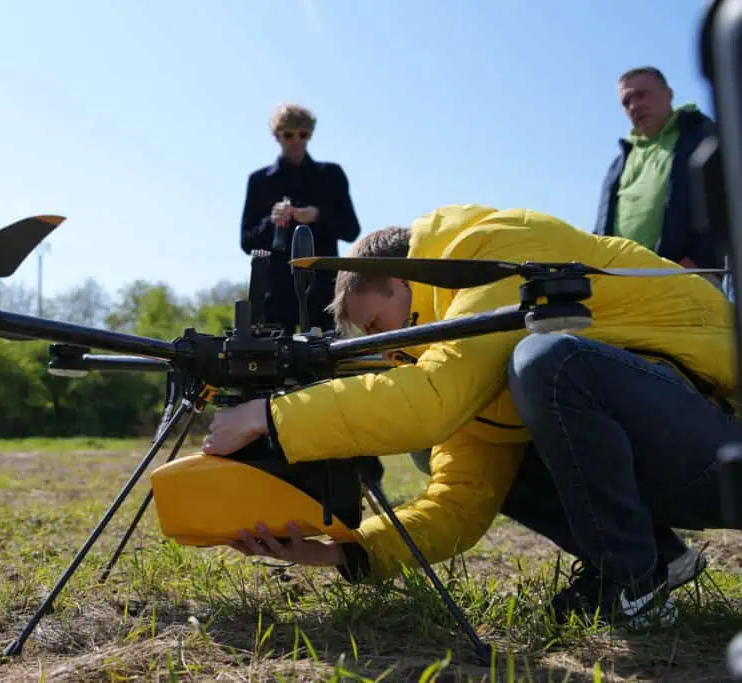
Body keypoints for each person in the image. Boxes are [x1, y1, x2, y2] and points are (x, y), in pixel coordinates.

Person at [202, 205, 739, 628]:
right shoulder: (470, 364)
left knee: (549, 361)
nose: (386, 351)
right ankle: (651, 560)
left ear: (400, 280)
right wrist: (339, 552)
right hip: (686, 460)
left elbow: (432, 400)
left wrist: (270, 416)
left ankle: (631, 583)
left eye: (378, 326)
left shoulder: (489, 247)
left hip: (723, 434)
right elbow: (459, 504)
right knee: (507, 405)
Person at [239, 103, 361, 333]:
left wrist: (318, 215)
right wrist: (271, 222)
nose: (296, 140)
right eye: (288, 135)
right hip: (274, 294)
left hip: (322, 292)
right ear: (277, 136)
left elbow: (351, 230)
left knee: (325, 354)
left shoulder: (331, 175)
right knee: (270, 355)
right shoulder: (260, 181)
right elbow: (246, 242)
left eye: (302, 134)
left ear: (310, 135)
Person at [594, 66, 723, 280]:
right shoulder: (620, 162)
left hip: (688, 275)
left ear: (669, 94)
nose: (634, 106)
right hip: (622, 282)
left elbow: (727, 200)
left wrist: (698, 261)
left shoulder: (704, 136)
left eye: (641, 95)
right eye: (626, 102)